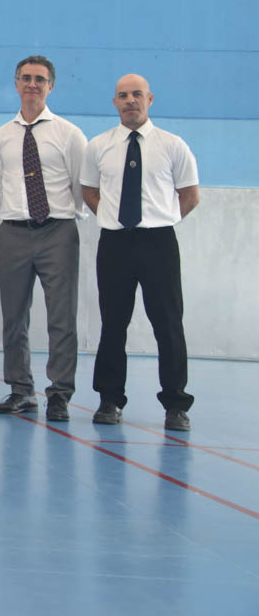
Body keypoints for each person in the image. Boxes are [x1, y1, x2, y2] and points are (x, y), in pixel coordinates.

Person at [82, 74, 199, 431]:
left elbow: (190, 195)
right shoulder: (98, 146)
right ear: (114, 102)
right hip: (115, 243)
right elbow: (89, 191)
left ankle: (176, 405)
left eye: (137, 94)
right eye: (123, 95)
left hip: (159, 243)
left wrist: (160, 220)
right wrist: (113, 217)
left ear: (150, 99)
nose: (130, 100)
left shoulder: (173, 145)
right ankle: (109, 399)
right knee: (113, 323)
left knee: (168, 323)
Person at [0, 55, 87, 421]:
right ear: (16, 84)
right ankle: (21, 390)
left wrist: (56, 218)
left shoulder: (69, 134)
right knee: (14, 318)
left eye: (40, 79)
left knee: (62, 317)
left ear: (50, 86)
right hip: (13, 233)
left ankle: (59, 394)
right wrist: (18, 214)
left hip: (57, 232)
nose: (32, 84)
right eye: (26, 78)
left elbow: (79, 186)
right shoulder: (2, 135)